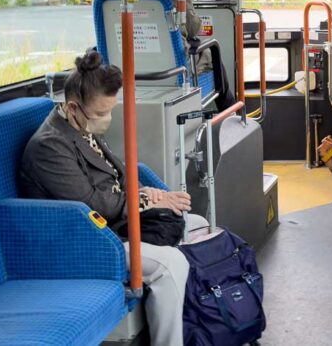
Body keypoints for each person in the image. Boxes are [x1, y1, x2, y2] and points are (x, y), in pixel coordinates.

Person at [20, 50, 204, 346]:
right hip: (84, 238)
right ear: (72, 107)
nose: (106, 119)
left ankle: (200, 325)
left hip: (114, 223)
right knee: (170, 265)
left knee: (197, 225)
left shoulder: (80, 126)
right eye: (100, 114)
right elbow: (94, 207)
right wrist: (147, 202)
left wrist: (144, 193)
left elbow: (113, 177)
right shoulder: (50, 148)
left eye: (109, 111)